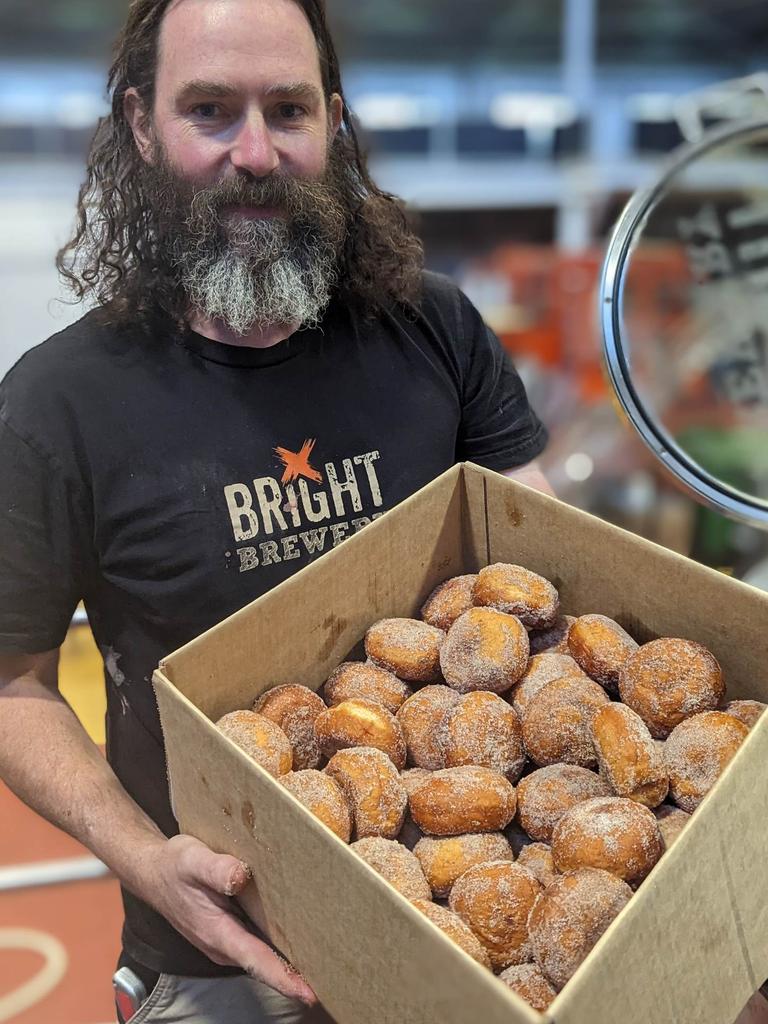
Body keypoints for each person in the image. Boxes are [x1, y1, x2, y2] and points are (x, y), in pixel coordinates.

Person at [0, 0, 551, 1021]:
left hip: (457, 925)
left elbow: (546, 576)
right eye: (210, 109)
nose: (256, 152)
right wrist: (147, 862)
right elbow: (13, 684)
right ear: (139, 125)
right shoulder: (54, 405)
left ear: (332, 124)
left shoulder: (434, 328)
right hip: (221, 955)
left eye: (288, 110)